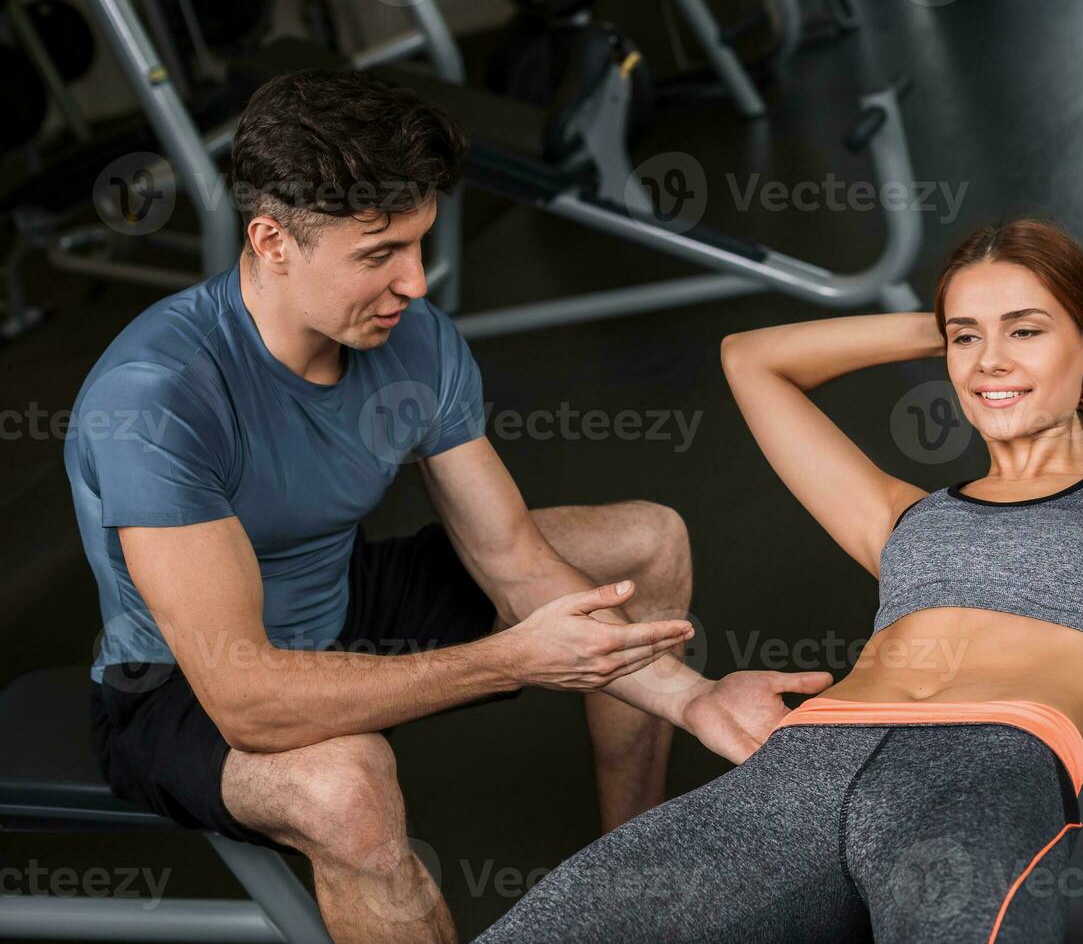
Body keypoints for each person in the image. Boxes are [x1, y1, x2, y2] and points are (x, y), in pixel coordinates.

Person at [66, 68, 829, 944]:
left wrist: (693, 699)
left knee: (643, 543)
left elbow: (513, 562)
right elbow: (246, 696)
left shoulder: (412, 340)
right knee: (346, 785)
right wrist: (511, 661)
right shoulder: (158, 397)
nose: (416, 284)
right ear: (273, 240)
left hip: (341, 596)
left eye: (420, 244)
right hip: (180, 686)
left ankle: (634, 882)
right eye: (378, 254)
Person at [470, 217, 1083, 942]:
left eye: (1029, 332)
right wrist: (954, 320)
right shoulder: (901, 517)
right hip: (800, 772)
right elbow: (753, 358)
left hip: (979, 775)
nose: (991, 361)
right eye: (965, 341)